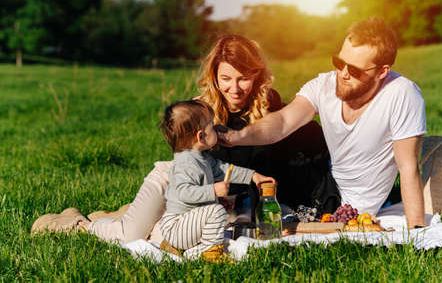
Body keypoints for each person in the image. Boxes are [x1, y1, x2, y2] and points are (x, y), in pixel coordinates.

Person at [78, 34, 329, 242]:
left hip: (218, 196)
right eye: (226, 79)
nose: (235, 88)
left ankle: (133, 216)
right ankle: (80, 225)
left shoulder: (268, 104)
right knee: (131, 235)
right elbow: (190, 170)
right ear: (215, 77)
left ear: (257, 74)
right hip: (177, 182)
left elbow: (291, 138)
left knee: (176, 236)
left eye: (243, 78)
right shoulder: (201, 111)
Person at [218, 17, 427, 229]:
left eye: (354, 70)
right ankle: (219, 202)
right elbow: (282, 122)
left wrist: (418, 231)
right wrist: (235, 137)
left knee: (293, 136)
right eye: (339, 63)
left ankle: (241, 205)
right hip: (323, 180)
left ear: (382, 71)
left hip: (341, 205)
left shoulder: (402, 94)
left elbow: (408, 167)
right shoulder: (324, 84)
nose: (343, 74)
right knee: (277, 121)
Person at [157, 99, 275, 260]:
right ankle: (210, 253)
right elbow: (184, 192)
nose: (216, 128)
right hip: (177, 225)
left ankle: (179, 246)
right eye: (211, 125)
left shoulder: (202, 158)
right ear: (201, 136)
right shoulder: (186, 163)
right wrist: (213, 191)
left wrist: (253, 176)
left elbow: (225, 169)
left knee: (217, 208)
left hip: (188, 224)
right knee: (217, 211)